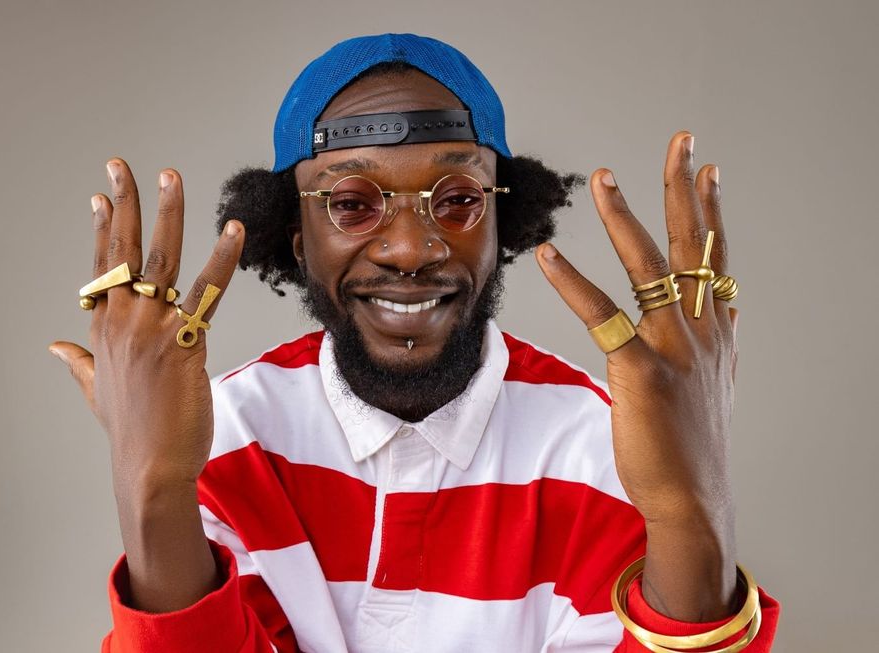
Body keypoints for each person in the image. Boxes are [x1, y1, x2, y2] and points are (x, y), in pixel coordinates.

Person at [50, 33, 779, 652]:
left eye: (459, 199)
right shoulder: (216, 434)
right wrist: (153, 491)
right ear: (297, 237)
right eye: (351, 204)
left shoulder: (606, 442)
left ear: (504, 225)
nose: (408, 248)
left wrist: (691, 507)